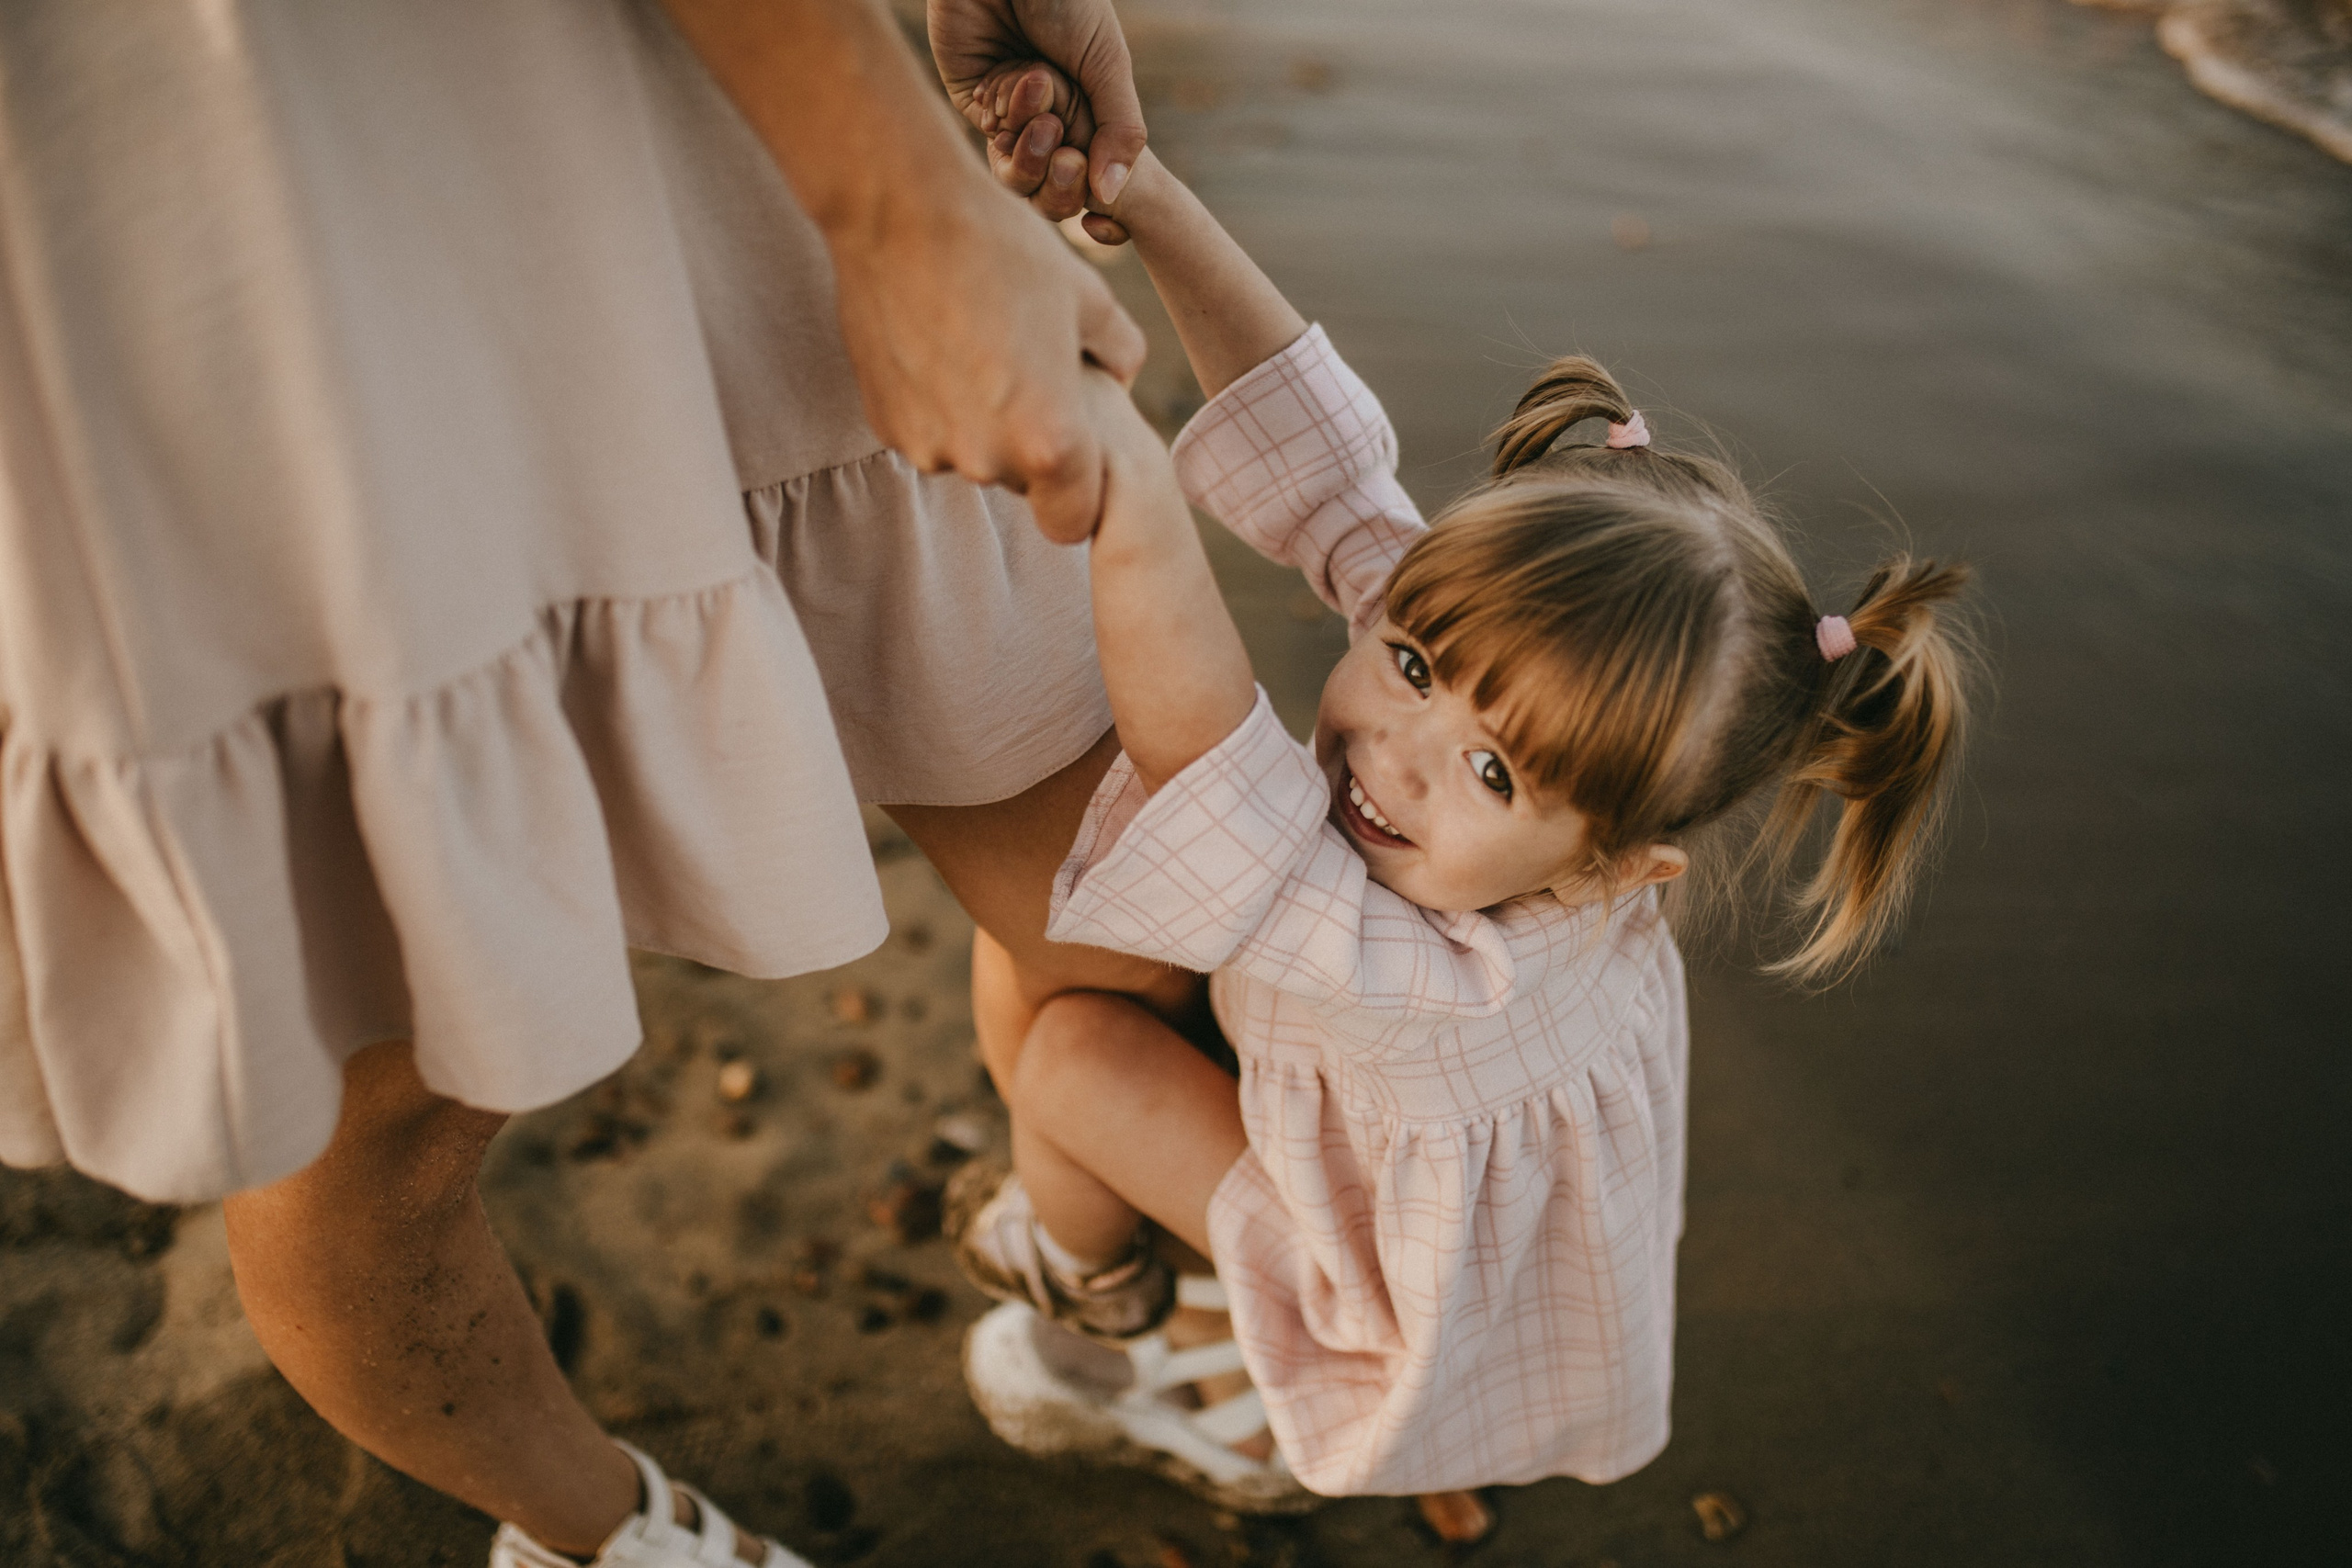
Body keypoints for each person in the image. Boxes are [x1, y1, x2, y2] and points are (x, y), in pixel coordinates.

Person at [0, 2, 1178, 1564]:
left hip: (630, 84)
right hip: (208, 167)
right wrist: (895, 208)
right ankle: (603, 1534)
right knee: (386, 1102)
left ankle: (1092, 1297)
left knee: (1147, 898)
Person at [943, 92, 1978, 1502]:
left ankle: (1098, 1287)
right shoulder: (1523, 712)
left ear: (1613, 872)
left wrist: (1125, 478)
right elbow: (1324, 469)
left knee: (1067, 1056)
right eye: (1416, 661)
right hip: (1373, 1138)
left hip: (1367, 1278)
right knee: (1041, 968)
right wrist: (1139, 191)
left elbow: (1213, 770)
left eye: (1495, 771)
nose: (1399, 751)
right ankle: (1172, 1290)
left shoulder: (1446, 974)